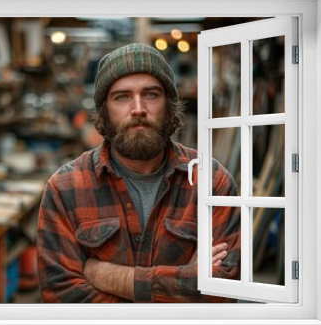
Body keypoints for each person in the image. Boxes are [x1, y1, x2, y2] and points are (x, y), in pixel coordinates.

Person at [36, 43, 240, 303]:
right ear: (104, 110)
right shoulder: (66, 188)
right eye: (122, 97)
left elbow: (222, 292)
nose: (138, 108)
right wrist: (187, 279)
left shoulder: (211, 181)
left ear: (169, 104)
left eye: (151, 94)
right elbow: (61, 296)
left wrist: (108, 276)